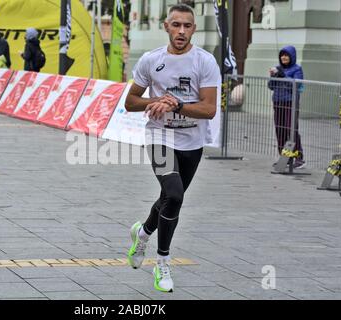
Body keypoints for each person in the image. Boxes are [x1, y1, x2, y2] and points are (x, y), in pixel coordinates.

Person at [124, 4, 220, 293]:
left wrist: (177, 104)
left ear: (194, 29)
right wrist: (155, 102)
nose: (181, 31)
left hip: (192, 142)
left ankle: (142, 234)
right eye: (176, 25)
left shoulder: (205, 61)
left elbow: (209, 109)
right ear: (166, 27)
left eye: (187, 26)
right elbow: (130, 102)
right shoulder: (151, 60)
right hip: (160, 138)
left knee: (169, 197)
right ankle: (162, 262)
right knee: (175, 194)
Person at [268, 46, 305, 169]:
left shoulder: (297, 69)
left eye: (286, 55)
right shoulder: (278, 68)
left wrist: (283, 75)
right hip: (278, 102)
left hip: (290, 103)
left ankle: (299, 157)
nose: (284, 57)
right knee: (280, 130)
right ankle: (285, 157)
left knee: (291, 129)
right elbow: (271, 86)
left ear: (292, 56)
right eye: (282, 55)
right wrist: (274, 76)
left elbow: (297, 84)